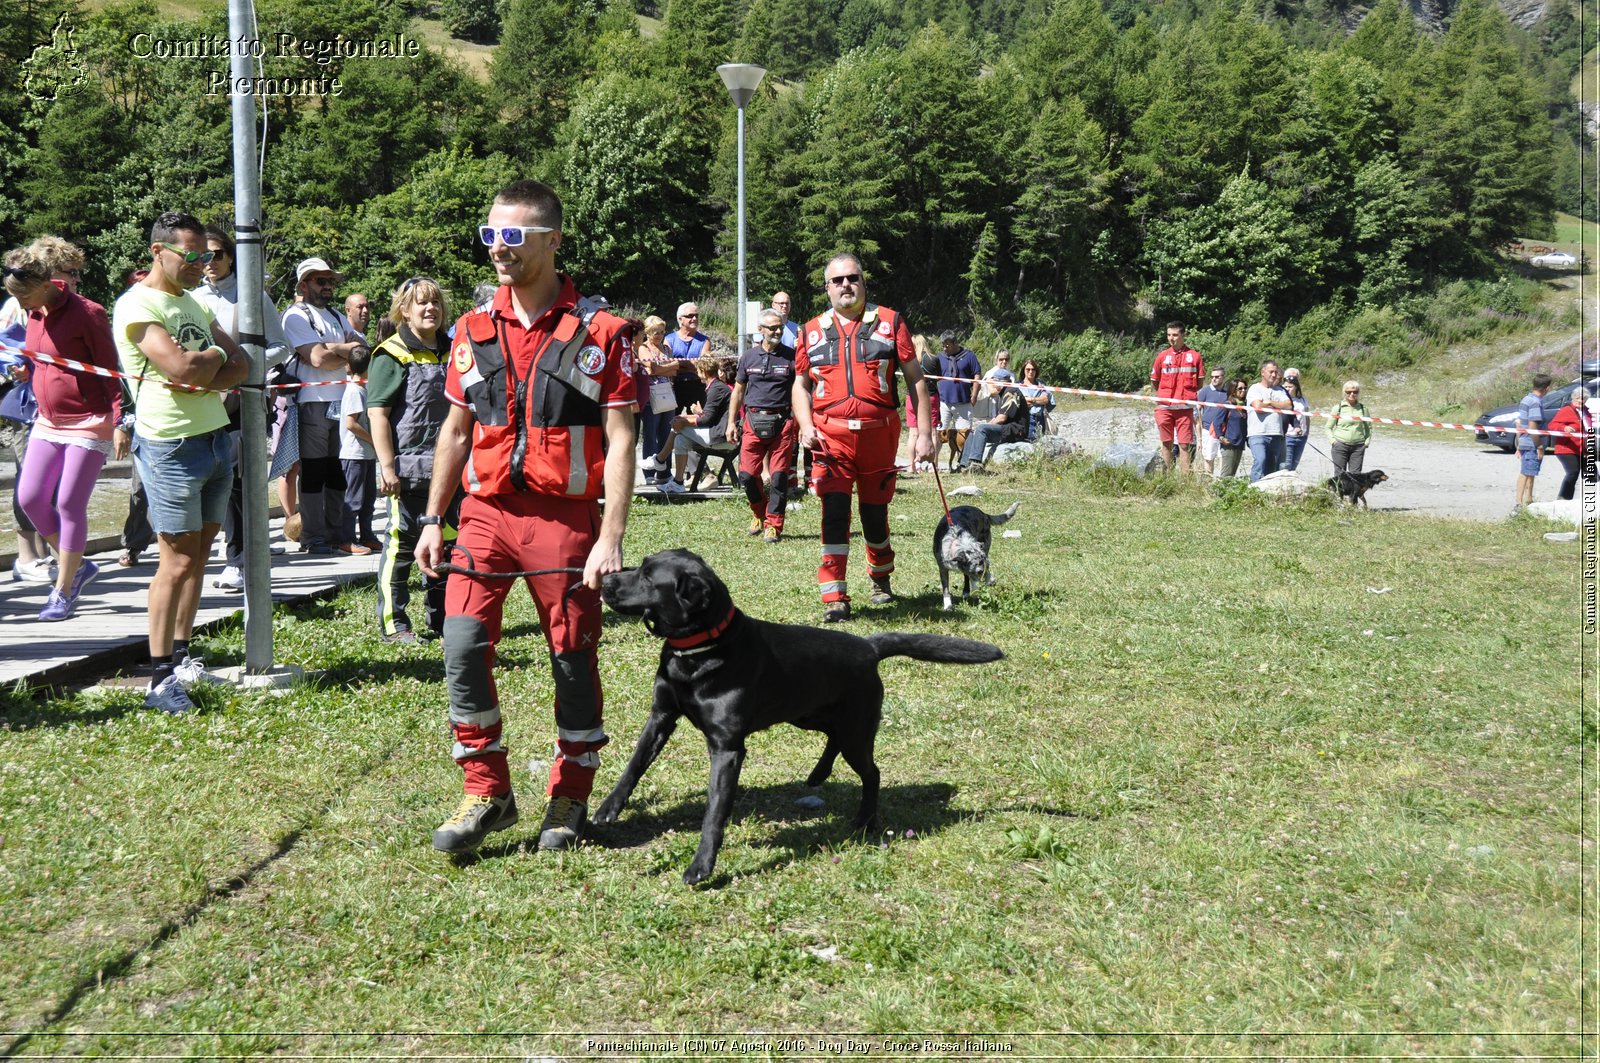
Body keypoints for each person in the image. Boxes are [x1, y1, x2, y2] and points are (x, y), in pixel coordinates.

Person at [416, 179, 636, 856]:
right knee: (460, 646)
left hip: (564, 520)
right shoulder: (472, 329)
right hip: (482, 514)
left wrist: (610, 535)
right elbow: (454, 432)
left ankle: (569, 792)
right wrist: (432, 518)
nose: (498, 249)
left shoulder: (602, 332)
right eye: (490, 235)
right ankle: (488, 791)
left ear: (551, 240)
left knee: (572, 656)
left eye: (512, 236)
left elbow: (623, 437)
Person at [112, 210, 251, 713]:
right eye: (191, 255)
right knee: (175, 562)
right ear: (158, 252)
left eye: (208, 256)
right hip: (170, 444)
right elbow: (182, 369)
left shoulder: (191, 300)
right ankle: (159, 678)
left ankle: (184, 654)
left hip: (215, 438)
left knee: (201, 553)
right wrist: (213, 361)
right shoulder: (137, 304)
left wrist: (207, 363)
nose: (202, 264)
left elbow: (243, 364)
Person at [792, 252, 933, 622]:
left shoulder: (891, 322)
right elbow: (800, 385)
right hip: (830, 438)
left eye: (852, 278)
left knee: (874, 513)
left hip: (878, 437)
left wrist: (923, 434)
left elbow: (917, 379)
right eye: (837, 281)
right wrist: (806, 425)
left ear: (864, 282)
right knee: (834, 513)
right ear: (827, 288)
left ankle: (881, 577)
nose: (845, 286)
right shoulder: (810, 330)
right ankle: (835, 595)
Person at [3, 238, 119, 620]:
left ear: (49, 284)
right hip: (47, 420)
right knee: (31, 499)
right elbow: (44, 358)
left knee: (69, 502)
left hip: (90, 419)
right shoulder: (34, 314)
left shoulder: (89, 313)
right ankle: (79, 564)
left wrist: (120, 419)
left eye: (25, 298)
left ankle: (63, 589)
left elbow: (109, 369)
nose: (22, 306)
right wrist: (29, 370)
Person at [190, 225, 292, 591]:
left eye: (216, 254)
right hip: (200, 399)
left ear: (231, 256)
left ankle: (239, 559)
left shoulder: (252, 296)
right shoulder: (190, 298)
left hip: (241, 400)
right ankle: (220, 544)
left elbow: (282, 345)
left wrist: (247, 367)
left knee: (236, 475)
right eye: (202, 255)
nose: (209, 262)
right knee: (204, 477)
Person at [369, 276, 457, 643]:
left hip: (450, 471)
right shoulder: (390, 354)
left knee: (448, 545)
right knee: (402, 546)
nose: (429, 308)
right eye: (421, 302)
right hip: (407, 471)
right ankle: (395, 624)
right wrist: (387, 467)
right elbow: (377, 415)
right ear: (403, 310)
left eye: (435, 301)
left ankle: (443, 620)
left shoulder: (454, 350)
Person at [280, 257, 367, 554]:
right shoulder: (295, 315)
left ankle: (336, 535)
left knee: (336, 472)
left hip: (341, 400)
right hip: (311, 403)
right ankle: (314, 537)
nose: (328, 286)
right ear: (303, 284)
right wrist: (346, 350)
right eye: (320, 280)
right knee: (314, 473)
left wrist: (334, 349)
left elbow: (362, 350)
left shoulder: (334, 314)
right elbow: (317, 358)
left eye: (330, 280)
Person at [728, 308, 798, 542]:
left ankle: (774, 526)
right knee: (747, 475)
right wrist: (731, 422)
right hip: (752, 421)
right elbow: (738, 391)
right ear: (760, 330)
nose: (777, 331)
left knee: (779, 477)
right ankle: (760, 513)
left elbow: (801, 390)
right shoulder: (748, 357)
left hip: (783, 423)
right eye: (772, 327)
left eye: (779, 327)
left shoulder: (792, 356)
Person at [653, 354, 730, 494]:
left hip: (721, 436)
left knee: (678, 427)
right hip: (718, 431)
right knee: (681, 440)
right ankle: (678, 482)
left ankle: (660, 459)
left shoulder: (716, 389)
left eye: (698, 371)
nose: (697, 374)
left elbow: (706, 420)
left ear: (704, 371)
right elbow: (709, 416)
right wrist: (689, 416)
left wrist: (683, 421)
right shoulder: (715, 387)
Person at [338, 345, 378, 557]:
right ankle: (346, 539)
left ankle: (367, 536)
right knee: (353, 500)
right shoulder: (354, 391)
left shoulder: (363, 388)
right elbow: (351, 423)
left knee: (368, 498)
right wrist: (374, 440)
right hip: (355, 455)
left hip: (366, 454)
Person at [1149, 320, 1204, 474]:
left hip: (1184, 409)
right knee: (1166, 443)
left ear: (1183, 335)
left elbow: (1199, 383)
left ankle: (1185, 481)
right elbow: (1155, 381)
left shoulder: (1194, 356)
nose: (1171, 338)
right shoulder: (1162, 356)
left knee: (1185, 445)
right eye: (1168, 335)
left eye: (1175, 335)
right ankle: (1167, 476)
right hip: (1164, 408)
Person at [634, 315, 678, 485]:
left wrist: (663, 368)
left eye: (661, 332)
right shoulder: (644, 348)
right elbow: (651, 370)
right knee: (650, 434)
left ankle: (665, 472)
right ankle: (649, 473)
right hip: (651, 396)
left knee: (667, 434)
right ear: (647, 333)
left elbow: (675, 369)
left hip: (667, 393)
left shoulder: (666, 348)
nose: (658, 335)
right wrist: (668, 367)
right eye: (654, 332)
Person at [933, 329, 981, 472]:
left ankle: (962, 464)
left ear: (955, 343)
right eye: (943, 345)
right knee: (939, 434)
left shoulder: (969, 356)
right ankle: (933, 465)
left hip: (963, 403)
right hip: (944, 403)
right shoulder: (940, 357)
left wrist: (974, 395)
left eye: (947, 345)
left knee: (963, 436)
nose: (944, 348)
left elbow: (977, 375)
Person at [958, 379, 1028, 470]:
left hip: (1016, 430)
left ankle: (975, 464)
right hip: (1006, 428)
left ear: (999, 383)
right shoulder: (1002, 394)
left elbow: (1002, 418)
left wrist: (984, 426)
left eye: (990, 384)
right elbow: (998, 418)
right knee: (973, 432)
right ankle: (963, 465)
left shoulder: (1011, 392)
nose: (988, 387)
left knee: (981, 429)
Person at [1245, 360, 1292, 482]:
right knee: (1260, 460)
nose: (1274, 375)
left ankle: (1268, 493)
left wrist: (1270, 402)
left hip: (1276, 433)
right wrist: (1277, 406)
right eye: (1271, 372)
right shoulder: (1255, 388)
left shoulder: (1280, 390)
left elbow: (1288, 405)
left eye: (1276, 372)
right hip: (1258, 433)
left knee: (1272, 468)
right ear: (1263, 372)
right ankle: (1253, 489)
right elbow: (1258, 407)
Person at [1546, 386, 1591, 502]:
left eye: (1583, 399)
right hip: (1566, 448)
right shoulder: (1566, 410)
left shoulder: (1586, 412)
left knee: (1589, 474)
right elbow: (1552, 425)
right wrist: (1564, 428)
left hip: (1582, 448)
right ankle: (1563, 498)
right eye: (1578, 398)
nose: (1580, 401)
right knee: (1573, 472)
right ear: (1573, 398)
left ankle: (1571, 499)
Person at [1514, 373, 1552, 512]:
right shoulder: (1535, 402)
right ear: (1546, 388)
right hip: (1531, 443)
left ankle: (1528, 500)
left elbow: (1519, 423)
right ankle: (1518, 503)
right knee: (1525, 473)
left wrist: (1519, 443)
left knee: (1531, 472)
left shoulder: (1526, 398)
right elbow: (1532, 427)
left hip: (1525, 441)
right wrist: (1540, 446)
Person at [666, 301, 709, 412]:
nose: (694, 318)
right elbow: (667, 365)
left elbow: (703, 366)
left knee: (698, 420)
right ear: (680, 319)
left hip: (697, 385)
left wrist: (678, 364)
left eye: (696, 316)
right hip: (675, 385)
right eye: (690, 316)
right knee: (672, 421)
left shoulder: (705, 340)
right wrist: (692, 365)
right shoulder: (669, 339)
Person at [1327, 380, 1372, 476]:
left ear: (1358, 393)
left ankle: (1353, 492)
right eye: (1349, 392)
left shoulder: (1363, 409)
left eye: (1355, 392)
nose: (1352, 394)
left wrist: (1366, 443)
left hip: (1358, 447)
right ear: (1344, 392)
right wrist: (1333, 442)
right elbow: (1328, 427)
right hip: (1340, 446)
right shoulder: (1338, 408)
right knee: (1340, 475)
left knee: (1355, 476)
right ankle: (1339, 491)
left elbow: (1369, 427)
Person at [1195, 367, 1228, 476]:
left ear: (1223, 377)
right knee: (1209, 458)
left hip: (1224, 430)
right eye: (1212, 377)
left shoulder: (1227, 392)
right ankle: (1208, 482)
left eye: (1217, 377)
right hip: (1208, 430)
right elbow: (1198, 412)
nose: (1214, 379)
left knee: (1224, 457)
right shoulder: (1205, 391)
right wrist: (1199, 438)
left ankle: (1223, 482)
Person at [1214, 378, 1249, 478]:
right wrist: (1221, 437)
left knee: (1232, 475)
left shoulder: (1244, 407)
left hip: (1239, 444)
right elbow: (1217, 423)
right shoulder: (1227, 404)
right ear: (1233, 391)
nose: (1243, 390)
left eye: (1245, 388)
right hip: (1229, 444)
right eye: (1240, 388)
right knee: (1226, 476)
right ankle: (1220, 493)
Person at [1017, 358, 1055, 441]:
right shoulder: (1018, 385)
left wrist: (1031, 400)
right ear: (1024, 370)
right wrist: (1038, 401)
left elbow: (1045, 399)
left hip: (1040, 419)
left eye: (1033, 369)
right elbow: (1021, 403)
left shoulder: (1041, 384)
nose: (1031, 372)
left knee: (1040, 443)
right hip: (1026, 419)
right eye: (1028, 369)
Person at [1282, 374, 1310, 471]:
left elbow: (1307, 416)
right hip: (1288, 436)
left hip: (1301, 437)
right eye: (1285, 386)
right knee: (1286, 465)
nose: (1288, 389)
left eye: (1290, 387)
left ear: (1296, 387)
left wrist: (1306, 432)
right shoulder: (1282, 401)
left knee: (1294, 465)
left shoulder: (1303, 400)